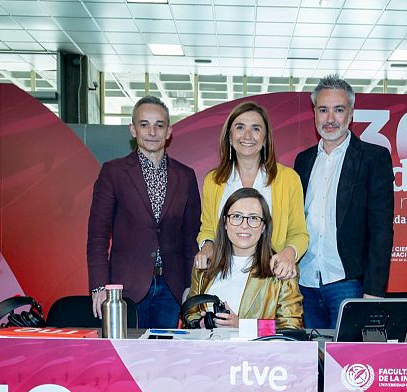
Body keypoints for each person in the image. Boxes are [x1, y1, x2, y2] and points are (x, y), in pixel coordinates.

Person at [87, 96, 201, 328]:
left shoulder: (185, 176)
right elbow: (98, 236)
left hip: (172, 289)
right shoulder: (113, 172)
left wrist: (191, 286)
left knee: (165, 358)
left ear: (169, 131)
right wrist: (99, 286)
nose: (152, 131)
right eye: (144, 124)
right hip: (125, 290)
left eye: (159, 125)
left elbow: (192, 237)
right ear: (133, 129)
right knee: (127, 359)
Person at [293, 74, 394, 329]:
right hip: (304, 284)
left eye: (338, 110)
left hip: (348, 284)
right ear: (314, 113)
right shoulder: (302, 161)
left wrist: (374, 291)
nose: (330, 119)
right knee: (312, 363)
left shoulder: (373, 158)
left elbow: (381, 231)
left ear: (351, 114)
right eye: (323, 110)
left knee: (348, 364)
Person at [194, 101, 308, 281]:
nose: (247, 135)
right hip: (223, 277)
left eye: (256, 129)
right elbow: (208, 228)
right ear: (230, 137)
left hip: (272, 279)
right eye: (240, 127)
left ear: (265, 139)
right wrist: (207, 246)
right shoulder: (213, 181)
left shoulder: (289, 179)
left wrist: (288, 254)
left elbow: (299, 233)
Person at [185, 188, 303, 329]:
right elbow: (190, 314)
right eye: (236, 216)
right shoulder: (205, 266)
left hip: (257, 351)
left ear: (264, 226)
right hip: (207, 349)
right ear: (225, 222)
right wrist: (200, 324)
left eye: (253, 218)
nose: (244, 225)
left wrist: (243, 326)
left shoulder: (281, 271)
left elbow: (290, 328)